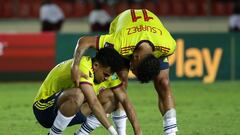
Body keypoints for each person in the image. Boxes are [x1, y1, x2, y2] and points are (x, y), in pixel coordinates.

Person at [71, 9, 178, 135]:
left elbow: (159, 68)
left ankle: (171, 133)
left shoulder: (168, 46)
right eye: (133, 69)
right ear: (136, 57)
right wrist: (75, 66)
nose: (130, 69)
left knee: (164, 83)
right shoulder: (119, 43)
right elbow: (84, 41)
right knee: (122, 81)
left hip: (154, 40)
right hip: (125, 31)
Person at [33, 47, 142, 135]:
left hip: (71, 111)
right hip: (44, 110)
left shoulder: (109, 75)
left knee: (113, 96)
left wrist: (137, 132)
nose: (107, 79)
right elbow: (93, 103)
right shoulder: (83, 65)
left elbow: (125, 101)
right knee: (78, 94)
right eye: (105, 75)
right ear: (95, 65)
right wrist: (113, 132)